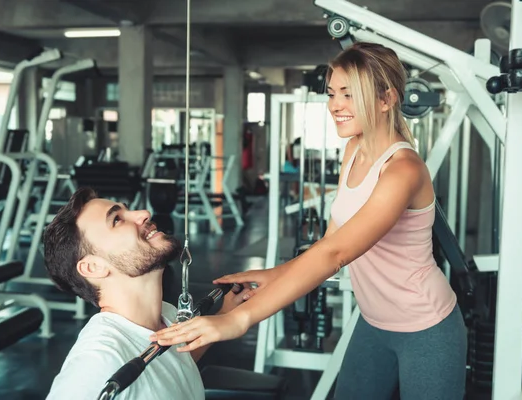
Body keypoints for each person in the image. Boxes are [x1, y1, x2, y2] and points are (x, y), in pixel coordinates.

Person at [151, 42, 468, 400]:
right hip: (373, 322)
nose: (335, 104)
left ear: (386, 99)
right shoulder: (354, 150)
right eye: (332, 93)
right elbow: (332, 239)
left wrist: (239, 320)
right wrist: (275, 275)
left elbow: (336, 254)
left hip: (425, 327)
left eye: (349, 94)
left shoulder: (404, 169)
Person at [43, 187, 250, 400]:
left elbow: (171, 366)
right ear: (93, 267)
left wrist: (224, 314)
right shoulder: (98, 359)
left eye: (127, 210)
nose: (143, 213)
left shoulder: (165, 315)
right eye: (116, 220)